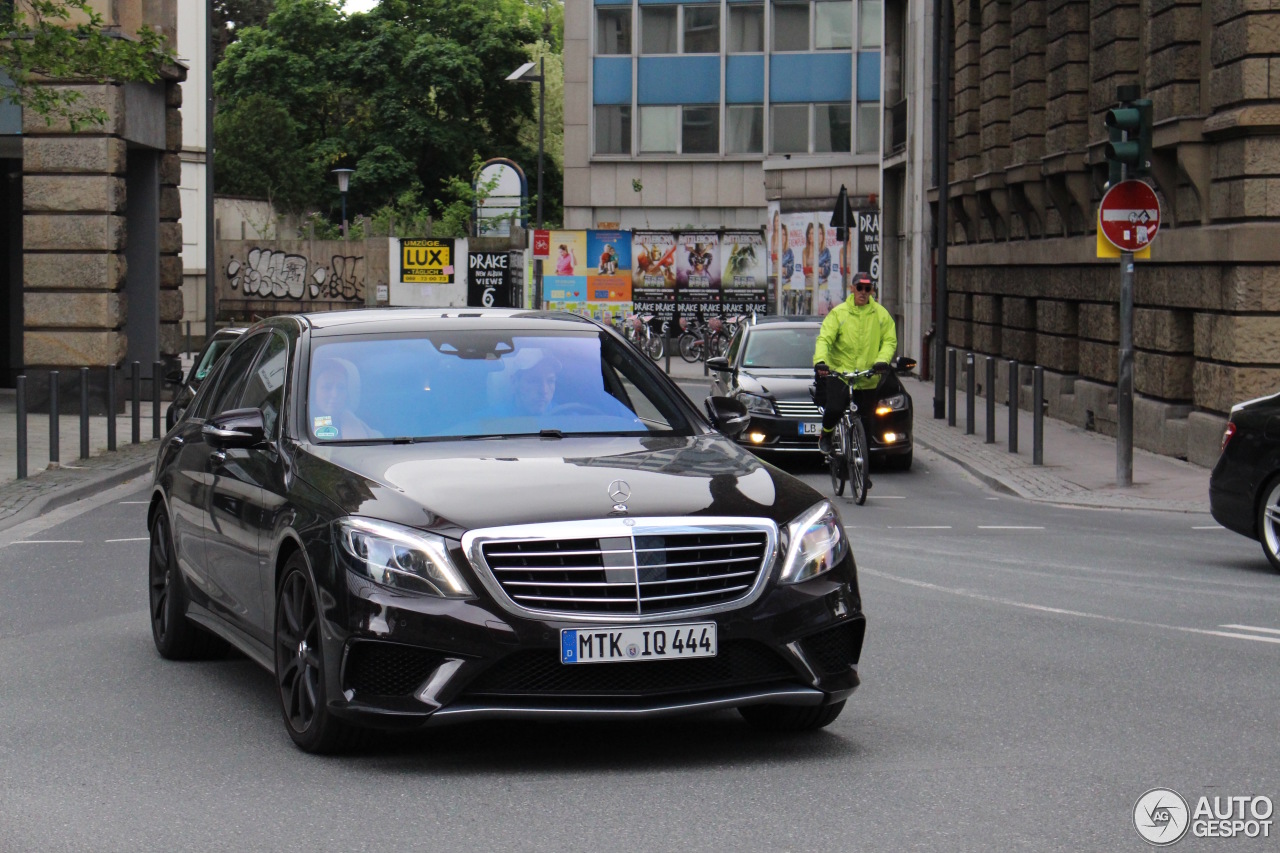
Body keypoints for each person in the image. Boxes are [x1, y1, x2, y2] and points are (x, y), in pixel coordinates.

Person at [812, 272, 897, 488]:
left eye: (868, 289)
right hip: (840, 373)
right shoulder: (839, 314)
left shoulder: (881, 315)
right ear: (852, 289)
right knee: (834, 408)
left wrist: (881, 361)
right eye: (860, 288)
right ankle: (827, 435)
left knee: (866, 424)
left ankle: (862, 469)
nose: (863, 292)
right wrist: (821, 361)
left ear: (872, 291)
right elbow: (825, 339)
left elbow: (889, 341)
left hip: (867, 376)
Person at [311, 358, 379, 439]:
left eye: (341, 388)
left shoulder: (370, 434)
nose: (335, 394)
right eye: (327, 387)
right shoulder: (298, 428)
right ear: (313, 391)